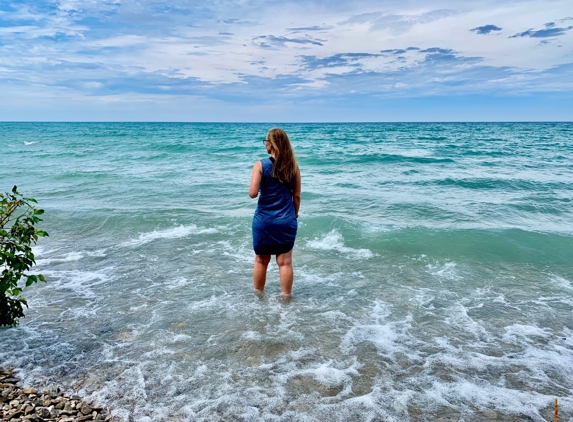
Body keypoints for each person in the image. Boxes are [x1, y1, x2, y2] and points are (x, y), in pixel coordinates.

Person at [249, 128, 301, 298]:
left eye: (266, 142)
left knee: (261, 260)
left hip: (264, 220)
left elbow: (252, 193)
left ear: (271, 145)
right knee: (285, 262)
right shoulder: (293, 166)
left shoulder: (261, 165)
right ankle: (286, 299)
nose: (265, 145)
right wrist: (294, 215)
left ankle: (258, 297)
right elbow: (297, 196)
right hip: (286, 220)